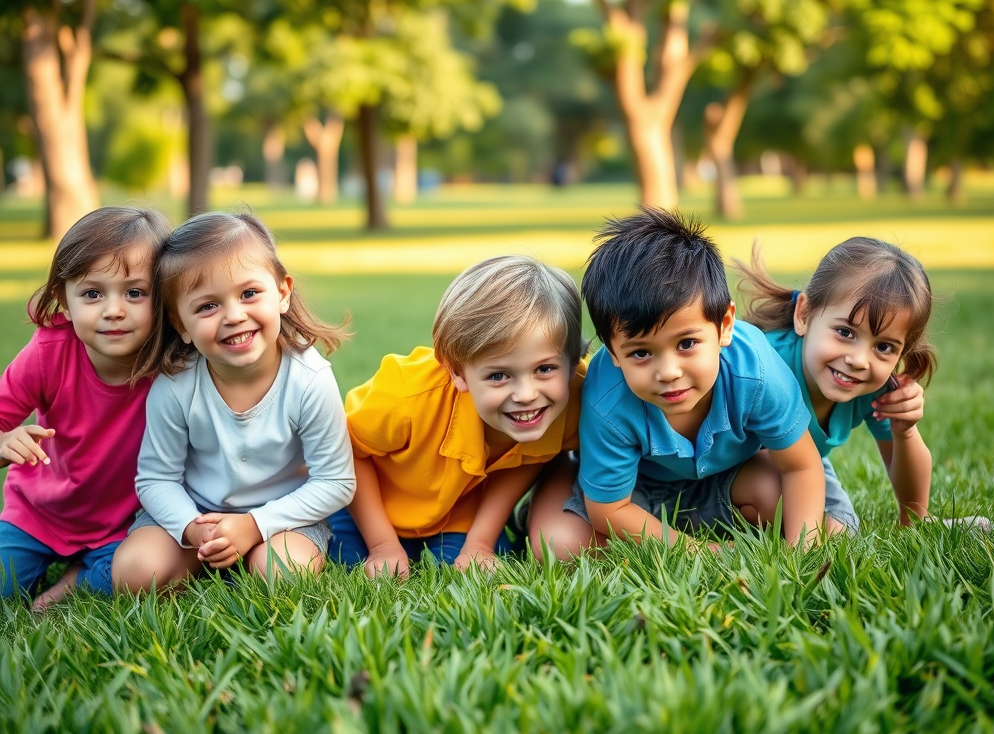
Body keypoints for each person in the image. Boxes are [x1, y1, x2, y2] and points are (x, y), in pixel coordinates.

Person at [527, 207, 825, 560]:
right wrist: (703, 552)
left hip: (729, 478)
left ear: (725, 325)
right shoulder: (606, 400)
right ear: (613, 352)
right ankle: (563, 491)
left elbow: (801, 465)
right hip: (635, 490)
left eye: (686, 344)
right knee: (559, 545)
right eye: (640, 353)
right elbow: (609, 508)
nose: (668, 372)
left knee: (810, 519)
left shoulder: (755, 371)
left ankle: (706, 523)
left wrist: (803, 554)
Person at [112, 212, 355, 593]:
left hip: (283, 518)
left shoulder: (309, 380)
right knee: (135, 572)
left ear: (283, 293)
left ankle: (255, 554)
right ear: (181, 325)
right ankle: (200, 561)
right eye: (207, 306)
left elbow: (336, 482)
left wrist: (254, 526)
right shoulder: (175, 386)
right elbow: (157, 478)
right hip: (196, 516)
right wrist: (193, 528)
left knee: (280, 575)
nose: (234, 316)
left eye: (249, 294)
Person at [327, 255, 587, 576]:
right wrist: (382, 545)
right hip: (366, 506)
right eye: (498, 376)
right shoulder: (406, 396)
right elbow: (347, 450)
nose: (526, 395)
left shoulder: (570, 399)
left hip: (457, 514)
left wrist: (480, 543)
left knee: (470, 567)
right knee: (345, 559)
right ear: (457, 372)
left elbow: (531, 458)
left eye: (544, 369)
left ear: (573, 359)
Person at [0, 206, 171, 609]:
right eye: (93, 293)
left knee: (140, 571)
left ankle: (77, 580)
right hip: (38, 516)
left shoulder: (173, 362)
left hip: (123, 527)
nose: (114, 310)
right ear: (65, 298)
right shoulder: (48, 353)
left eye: (135, 292)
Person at [734, 237, 951, 532]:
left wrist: (906, 431)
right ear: (803, 315)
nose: (860, 360)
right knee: (812, 520)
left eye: (884, 347)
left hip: (801, 467)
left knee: (846, 530)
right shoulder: (764, 363)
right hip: (731, 466)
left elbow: (908, 489)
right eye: (845, 332)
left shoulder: (875, 389)